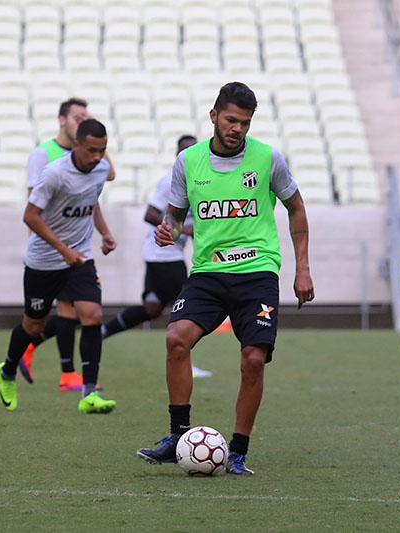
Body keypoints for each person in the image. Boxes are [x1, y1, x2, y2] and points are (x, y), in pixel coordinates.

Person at [136, 82, 314, 475]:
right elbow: (175, 216)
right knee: (175, 338)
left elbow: (296, 208)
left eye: (245, 123)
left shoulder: (268, 158)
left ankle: (237, 452)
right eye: (231, 120)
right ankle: (178, 436)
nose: (237, 129)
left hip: (257, 272)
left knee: (254, 359)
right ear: (214, 116)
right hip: (208, 272)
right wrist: (168, 230)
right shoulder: (188, 161)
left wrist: (302, 267)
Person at [0, 118, 117, 413]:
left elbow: (92, 201)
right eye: (91, 150)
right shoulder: (54, 174)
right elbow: (30, 216)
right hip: (44, 261)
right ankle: (8, 370)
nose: (97, 157)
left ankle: (89, 394)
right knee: (33, 325)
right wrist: (63, 250)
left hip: (80, 258)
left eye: (102, 150)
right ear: (76, 145)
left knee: (92, 315)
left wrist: (105, 232)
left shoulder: (101, 170)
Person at [19, 98, 114, 392]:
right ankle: (45, 358)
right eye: (77, 117)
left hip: (75, 247)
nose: (82, 120)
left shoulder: (91, 156)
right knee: (64, 311)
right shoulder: (44, 154)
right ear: (63, 121)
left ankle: (66, 373)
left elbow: (104, 180)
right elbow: (36, 205)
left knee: (74, 311)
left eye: (87, 117)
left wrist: (95, 139)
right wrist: (51, 244)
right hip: (51, 248)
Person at [100, 134, 213, 378]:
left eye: (195, 150)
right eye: (185, 151)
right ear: (177, 155)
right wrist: (184, 229)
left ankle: (102, 332)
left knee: (152, 308)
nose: (191, 155)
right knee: (187, 308)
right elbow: (150, 214)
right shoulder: (172, 180)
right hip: (164, 255)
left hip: (161, 254)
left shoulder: (199, 181)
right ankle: (184, 363)